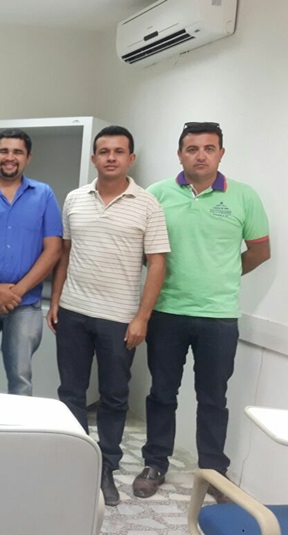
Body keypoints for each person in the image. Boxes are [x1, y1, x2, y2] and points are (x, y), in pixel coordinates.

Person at [133, 122, 270, 503]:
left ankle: (213, 472)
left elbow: (260, 251)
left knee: (213, 398)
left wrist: (222, 275)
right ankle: (155, 463)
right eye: (192, 149)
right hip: (167, 312)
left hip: (219, 317)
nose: (201, 155)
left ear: (221, 154)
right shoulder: (157, 194)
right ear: (180, 154)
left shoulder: (244, 197)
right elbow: (143, 251)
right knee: (162, 393)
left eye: (209, 148)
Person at [47, 125, 170, 506]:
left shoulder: (147, 204)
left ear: (130, 158)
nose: (111, 157)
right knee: (71, 392)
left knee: (114, 396)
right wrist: (56, 299)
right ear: (94, 158)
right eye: (104, 151)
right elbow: (65, 253)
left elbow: (157, 263)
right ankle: (76, 461)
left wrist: (142, 317)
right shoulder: (74, 199)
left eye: (119, 151)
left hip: (119, 318)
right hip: (73, 311)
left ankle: (106, 466)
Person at [0, 129, 62, 396]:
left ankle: (17, 427)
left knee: (21, 380)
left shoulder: (43, 194)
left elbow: (53, 250)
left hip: (25, 304)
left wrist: (16, 292)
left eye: (18, 152)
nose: (10, 157)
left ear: (28, 157)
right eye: (4, 151)